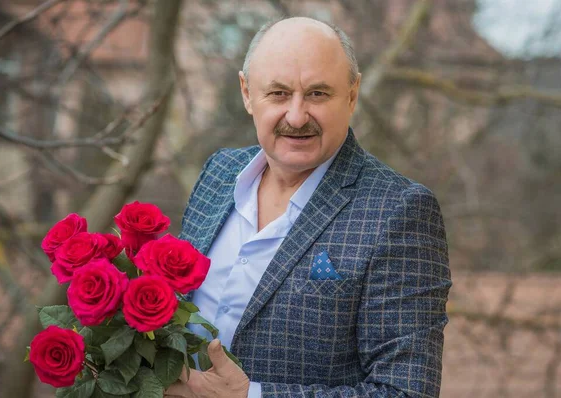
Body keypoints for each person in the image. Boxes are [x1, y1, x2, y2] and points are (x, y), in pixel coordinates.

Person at [166, 16, 452, 398]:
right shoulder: (218, 174)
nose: (297, 116)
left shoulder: (400, 211)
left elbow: (404, 392)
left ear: (352, 96)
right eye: (279, 93)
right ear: (247, 93)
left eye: (318, 94)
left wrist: (251, 397)